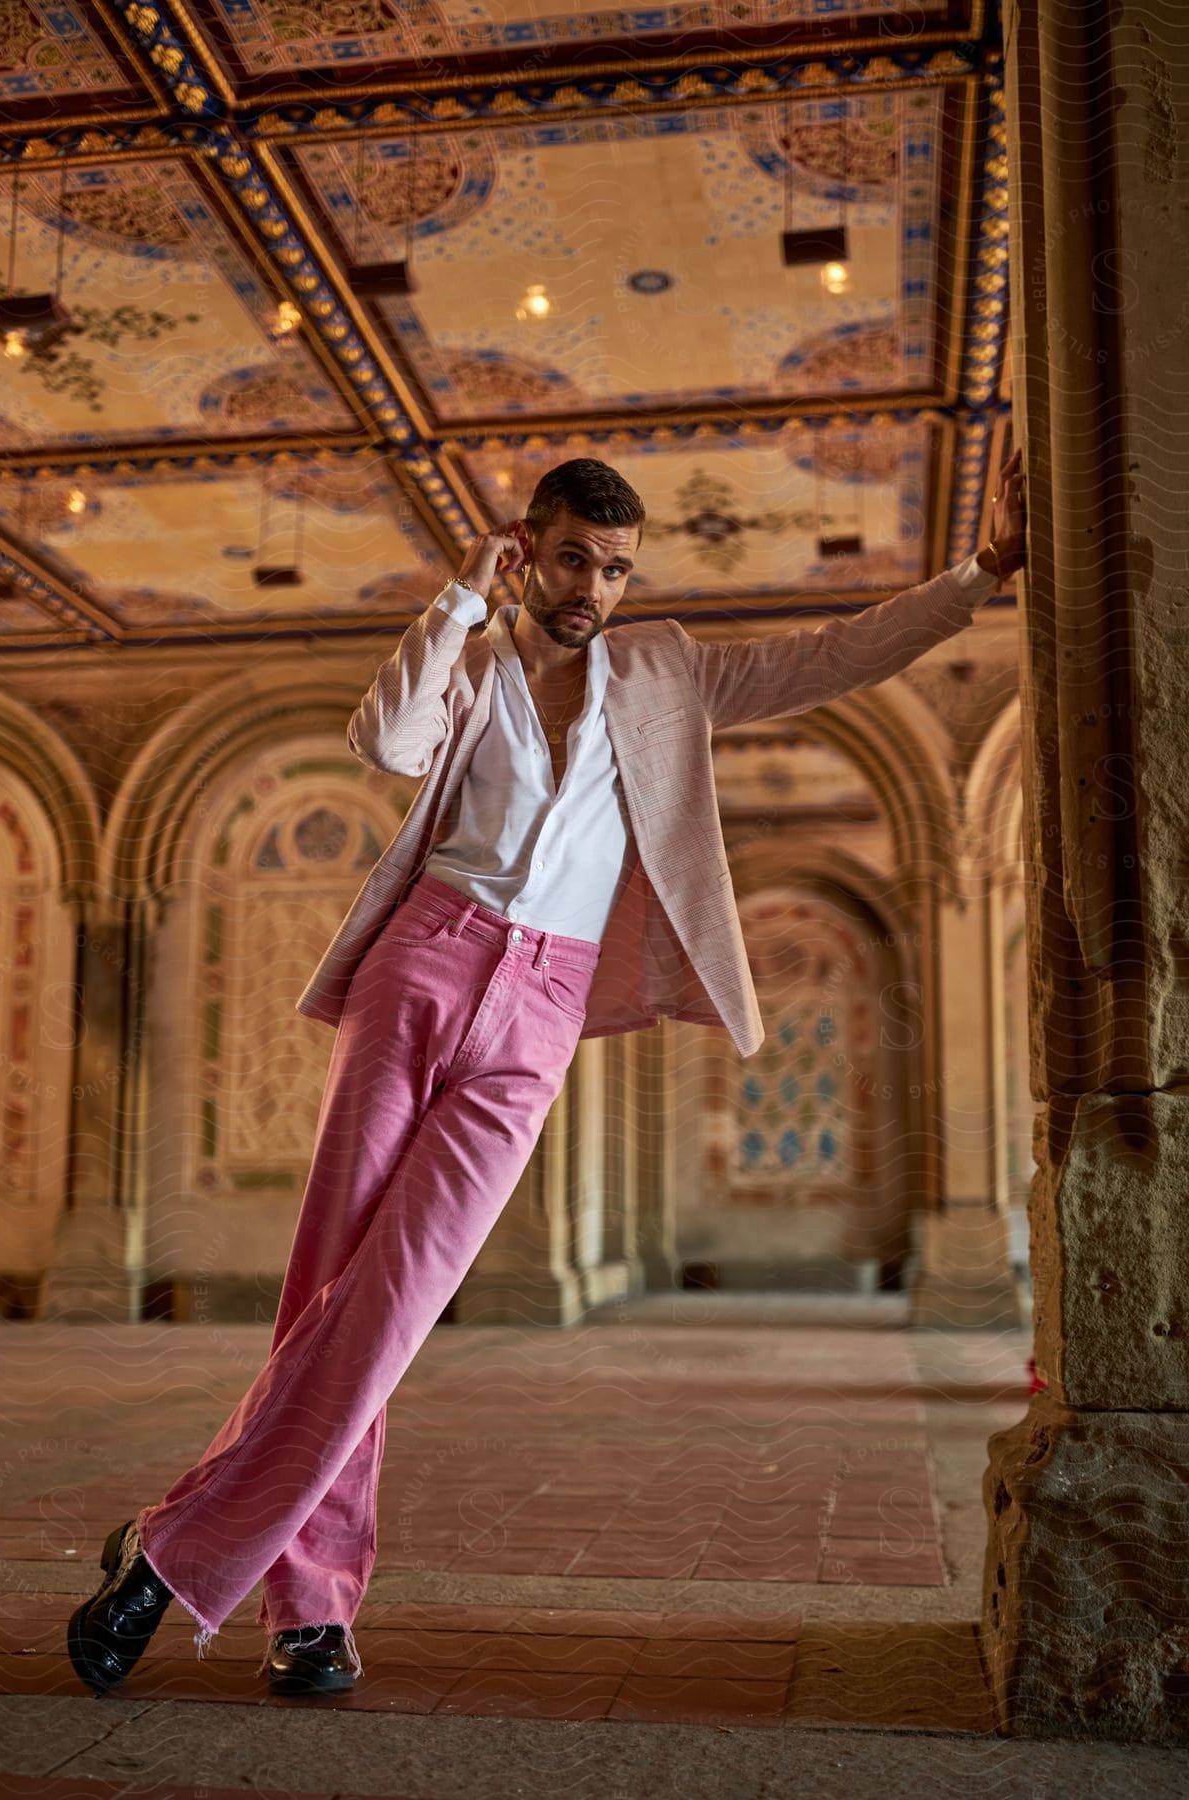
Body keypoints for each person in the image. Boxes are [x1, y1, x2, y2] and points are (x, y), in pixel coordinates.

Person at [66, 451, 1027, 1697]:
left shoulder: (667, 671)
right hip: (422, 961)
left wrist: (980, 573)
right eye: (575, 558)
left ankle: (168, 1555)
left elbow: (831, 654)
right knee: (330, 1292)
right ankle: (312, 1611)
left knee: (394, 1306)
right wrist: (460, 601)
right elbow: (389, 741)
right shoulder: (474, 653)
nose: (594, 588)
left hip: (543, 1005)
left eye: (617, 569)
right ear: (531, 544)